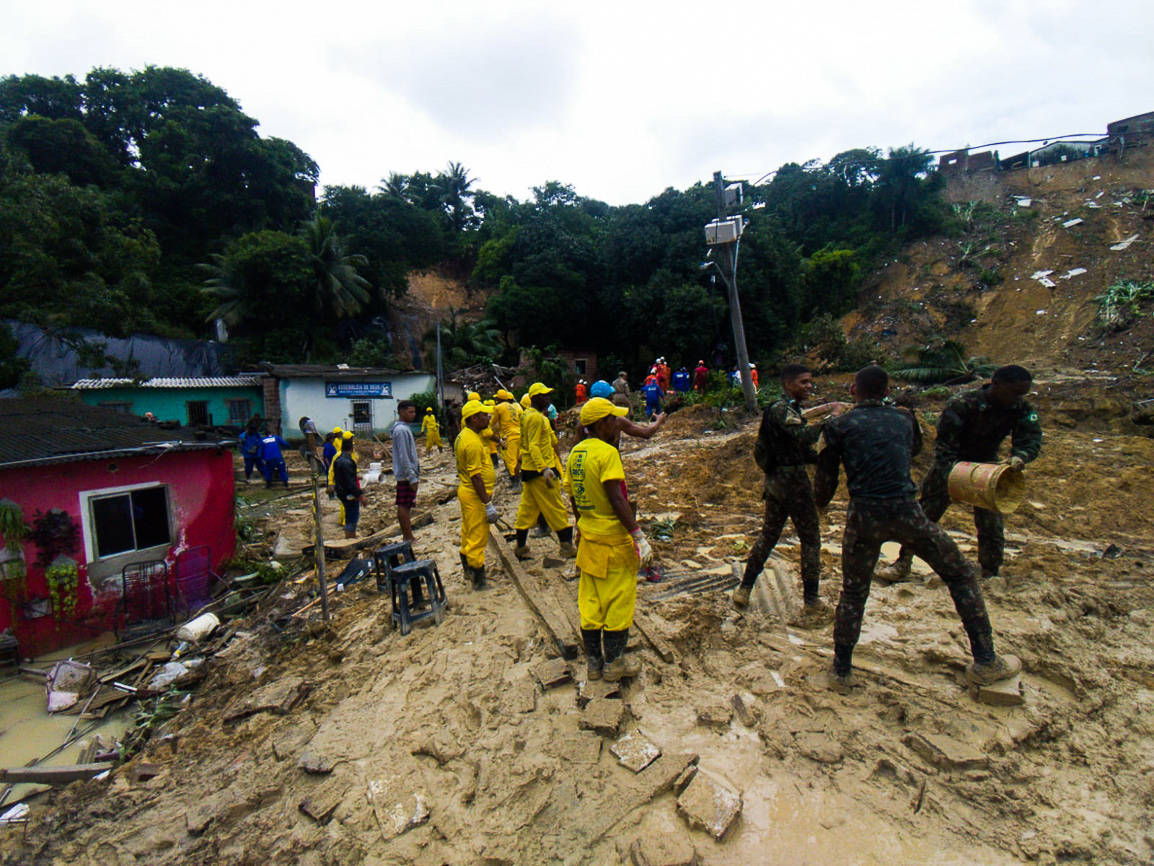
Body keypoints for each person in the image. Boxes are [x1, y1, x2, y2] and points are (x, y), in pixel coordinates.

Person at [814, 366, 1021, 690]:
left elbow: (825, 483)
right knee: (961, 574)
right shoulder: (904, 419)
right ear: (886, 390)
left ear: (854, 390)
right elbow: (913, 451)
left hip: (864, 516)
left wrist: (821, 502)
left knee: (854, 592)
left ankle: (841, 671)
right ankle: (985, 661)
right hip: (908, 512)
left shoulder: (838, 426)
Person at [876, 365, 1043, 582]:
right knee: (924, 517)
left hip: (988, 467)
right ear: (996, 384)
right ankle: (902, 563)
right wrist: (954, 474)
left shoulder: (1020, 407)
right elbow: (945, 446)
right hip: (951, 463)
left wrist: (1020, 456)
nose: (1018, 398)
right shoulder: (963, 404)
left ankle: (990, 571)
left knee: (991, 524)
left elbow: (1030, 438)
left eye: (1022, 393)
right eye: (1014, 392)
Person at [732, 364, 837, 618]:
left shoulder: (785, 409)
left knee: (768, 537)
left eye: (810, 381)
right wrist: (829, 419)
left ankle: (744, 589)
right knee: (810, 540)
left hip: (777, 484)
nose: (809, 386)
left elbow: (796, 448)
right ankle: (811, 601)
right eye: (804, 382)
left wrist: (820, 459)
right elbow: (804, 436)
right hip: (794, 486)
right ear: (788, 384)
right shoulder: (782, 410)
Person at [565, 397, 654, 682]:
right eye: (614, 419)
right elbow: (616, 496)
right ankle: (614, 663)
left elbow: (573, 496)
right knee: (618, 601)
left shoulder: (576, 453)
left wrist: (581, 524)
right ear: (602, 423)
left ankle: (594, 663)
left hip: (589, 539)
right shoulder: (607, 454)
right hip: (613, 540)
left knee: (591, 602)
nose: (618, 424)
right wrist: (637, 534)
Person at [514, 382, 577, 560]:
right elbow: (534, 446)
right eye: (544, 395)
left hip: (529, 470)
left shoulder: (527, 415)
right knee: (556, 507)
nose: (548, 398)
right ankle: (566, 547)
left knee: (527, 509)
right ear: (535, 398)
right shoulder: (536, 418)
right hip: (540, 472)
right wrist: (545, 469)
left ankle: (520, 547)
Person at [455, 400, 500, 589]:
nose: (488, 417)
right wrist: (487, 504)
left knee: (468, 530)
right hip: (474, 494)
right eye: (484, 415)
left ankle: (467, 566)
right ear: (474, 418)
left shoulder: (467, 435)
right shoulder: (471, 442)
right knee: (478, 536)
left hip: (468, 493)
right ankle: (478, 578)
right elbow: (476, 476)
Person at [391, 401, 420, 543]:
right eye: (410, 412)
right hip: (405, 476)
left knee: (407, 504)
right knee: (404, 505)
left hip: (407, 474)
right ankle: (407, 536)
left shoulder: (403, 429)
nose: (413, 415)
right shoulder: (401, 430)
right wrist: (411, 477)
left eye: (414, 412)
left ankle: (408, 535)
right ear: (401, 412)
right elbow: (404, 456)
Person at [332, 434, 366, 538]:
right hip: (349, 494)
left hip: (341, 492)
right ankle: (350, 538)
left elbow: (341, 477)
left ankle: (350, 536)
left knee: (349, 515)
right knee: (352, 517)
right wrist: (360, 495)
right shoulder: (348, 461)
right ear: (351, 448)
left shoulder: (338, 460)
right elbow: (350, 482)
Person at [492, 389, 522, 486]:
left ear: (499, 399)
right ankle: (522, 479)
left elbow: (492, 422)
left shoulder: (498, 407)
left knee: (511, 460)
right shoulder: (514, 406)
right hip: (519, 434)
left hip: (510, 436)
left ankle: (516, 484)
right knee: (519, 459)